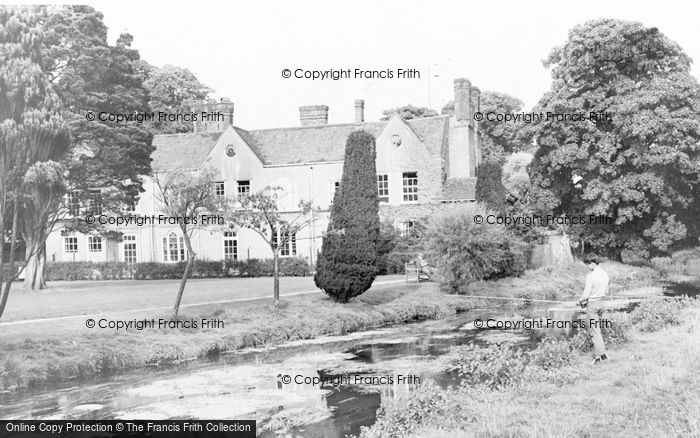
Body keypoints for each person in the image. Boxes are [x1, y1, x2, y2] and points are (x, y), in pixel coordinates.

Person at [576, 253, 609, 364]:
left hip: (593, 306)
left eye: (588, 264)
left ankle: (598, 357)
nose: (587, 267)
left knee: (595, 331)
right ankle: (603, 354)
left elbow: (586, 295)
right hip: (602, 304)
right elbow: (606, 291)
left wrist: (579, 301)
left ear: (593, 263)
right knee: (597, 329)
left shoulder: (591, 276)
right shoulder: (605, 274)